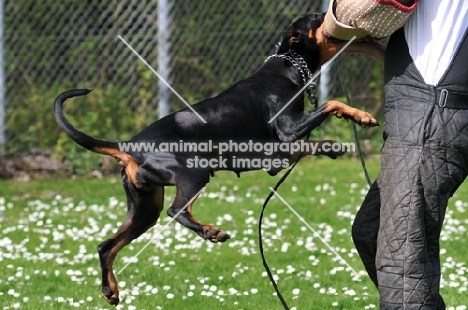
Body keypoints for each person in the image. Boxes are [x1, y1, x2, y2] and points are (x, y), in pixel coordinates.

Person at [324, 0, 468, 308]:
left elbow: (360, 10)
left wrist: (334, 23)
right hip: (430, 112)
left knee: (402, 267)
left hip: (429, 116)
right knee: (372, 230)